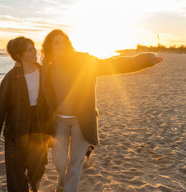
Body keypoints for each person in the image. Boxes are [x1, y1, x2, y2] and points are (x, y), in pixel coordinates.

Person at [40, 29, 163, 192]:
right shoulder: (46, 65)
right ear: (49, 45)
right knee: (59, 162)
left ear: (68, 45)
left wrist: (147, 59)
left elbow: (113, 63)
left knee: (76, 164)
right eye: (56, 42)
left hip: (81, 120)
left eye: (63, 42)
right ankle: (61, 182)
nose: (60, 45)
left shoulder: (82, 61)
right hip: (59, 121)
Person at [0, 36, 51, 192]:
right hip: (16, 130)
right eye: (29, 50)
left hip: (39, 127)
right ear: (19, 54)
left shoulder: (44, 72)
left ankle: (33, 182)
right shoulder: (11, 77)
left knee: (38, 166)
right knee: (15, 172)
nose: (34, 51)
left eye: (34, 48)